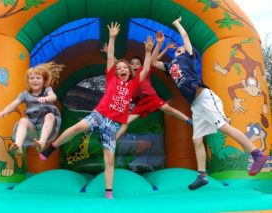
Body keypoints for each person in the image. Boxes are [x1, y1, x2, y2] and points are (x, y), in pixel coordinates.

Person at [39, 22, 154, 199]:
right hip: (99, 115)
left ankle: (109, 193)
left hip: (112, 124)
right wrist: (112, 37)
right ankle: (52, 147)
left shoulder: (132, 85)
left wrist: (147, 51)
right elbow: (110, 58)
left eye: (125, 68)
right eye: (119, 68)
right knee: (77, 128)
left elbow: (145, 69)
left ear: (130, 72)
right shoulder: (111, 79)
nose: (122, 69)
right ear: (115, 72)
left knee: (109, 159)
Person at [151, 17, 268, 190]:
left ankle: (257, 153)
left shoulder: (188, 58)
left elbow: (185, 38)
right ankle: (202, 176)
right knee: (197, 140)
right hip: (195, 105)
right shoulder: (171, 66)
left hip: (204, 96)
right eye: (178, 50)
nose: (179, 50)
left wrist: (176, 24)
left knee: (223, 127)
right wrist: (159, 44)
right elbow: (153, 62)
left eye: (181, 49)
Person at [101, 42, 193, 140]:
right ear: (128, 67)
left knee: (169, 109)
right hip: (140, 104)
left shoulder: (143, 71)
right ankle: (112, 140)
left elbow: (154, 60)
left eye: (137, 63)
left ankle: (188, 120)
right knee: (125, 121)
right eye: (132, 64)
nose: (135, 65)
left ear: (141, 65)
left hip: (151, 98)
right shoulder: (128, 76)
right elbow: (117, 62)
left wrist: (165, 48)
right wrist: (109, 53)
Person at [0, 62, 64, 156]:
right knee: (23, 120)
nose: (35, 80)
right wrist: (4, 111)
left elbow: (53, 97)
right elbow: (14, 103)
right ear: (28, 81)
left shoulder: (47, 90)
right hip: (33, 128)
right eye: (32, 78)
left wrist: (46, 98)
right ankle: (18, 146)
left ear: (43, 80)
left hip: (45, 126)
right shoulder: (25, 94)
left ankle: (42, 143)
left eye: (38, 78)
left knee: (50, 115)